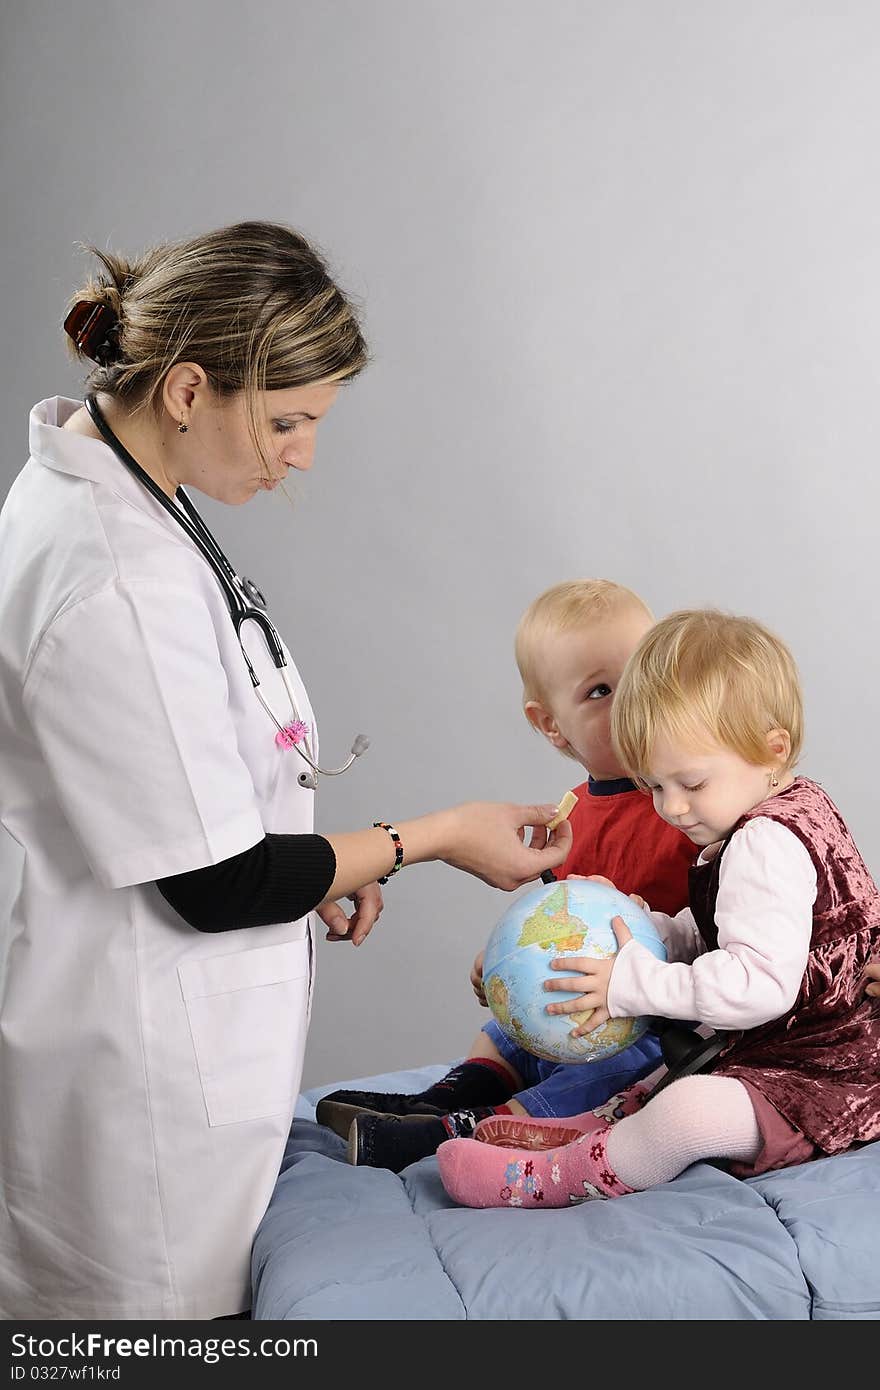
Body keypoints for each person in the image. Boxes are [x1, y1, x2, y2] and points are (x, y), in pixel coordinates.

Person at [0, 221, 573, 1320]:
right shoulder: (118, 577)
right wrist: (434, 837)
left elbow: (197, 801)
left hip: (158, 1041)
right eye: (285, 421)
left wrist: (325, 863)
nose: (302, 453)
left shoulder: (127, 501)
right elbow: (217, 881)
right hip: (144, 1106)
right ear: (186, 389)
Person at [436, 608, 880, 1208]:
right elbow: (728, 930)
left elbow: (758, 985)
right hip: (793, 1048)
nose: (671, 808)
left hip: (830, 1074)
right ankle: (598, 1126)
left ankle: (561, 1175)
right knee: (670, 1068)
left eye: (690, 784)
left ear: (772, 749)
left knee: (689, 1112)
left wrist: (634, 985)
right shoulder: (785, 804)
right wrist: (652, 935)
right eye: (654, 786)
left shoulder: (764, 842)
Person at [315, 579, 695, 1171]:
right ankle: (445, 1097)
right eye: (600, 690)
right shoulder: (566, 816)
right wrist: (510, 962)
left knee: (635, 1066)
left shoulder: (692, 802)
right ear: (551, 725)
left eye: (645, 678)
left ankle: (469, 1130)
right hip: (577, 1006)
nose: (632, 703)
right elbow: (559, 922)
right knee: (503, 1031)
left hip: (660, 1017)